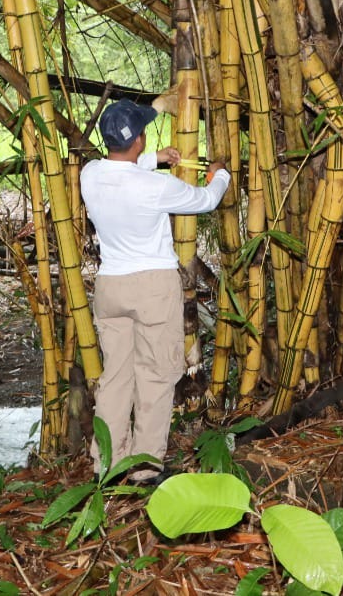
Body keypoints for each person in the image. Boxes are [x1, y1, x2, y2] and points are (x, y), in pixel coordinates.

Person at [80, 98, 230, 483]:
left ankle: (108, 465)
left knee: (115, 377)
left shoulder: (90, 174)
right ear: (140, 140)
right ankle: (145, 469)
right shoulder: (155, 188)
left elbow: (121, 170)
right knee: (155, 375)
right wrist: (220, 175)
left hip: (110, 288)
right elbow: (205, 200)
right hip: (152, 289)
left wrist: (156, 158)